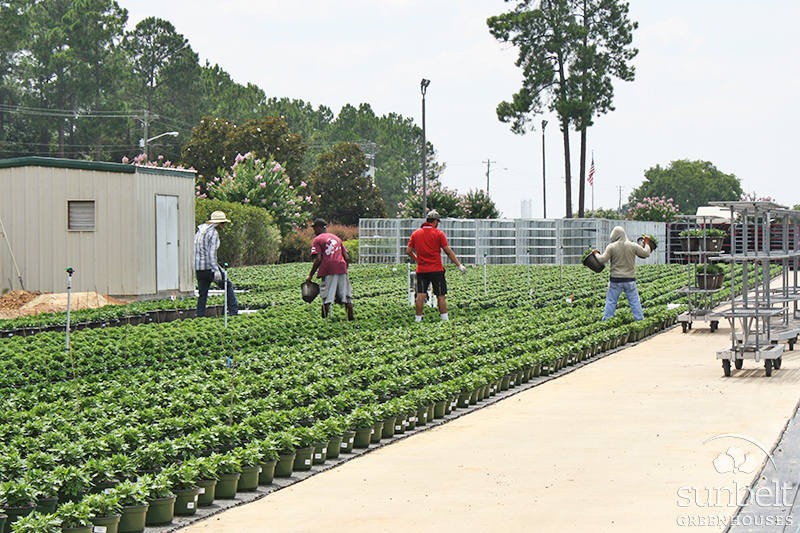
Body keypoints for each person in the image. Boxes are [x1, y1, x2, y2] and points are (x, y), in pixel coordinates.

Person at [406, 210, 467, 322]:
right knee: (440, 295)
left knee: (420, 295)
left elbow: (409, 251)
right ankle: (445, 320)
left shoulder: (416, 234)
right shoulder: (439, 234)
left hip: (422, 270)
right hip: (436, 270)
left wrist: (417, 258)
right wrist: (459, 265)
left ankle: (417, 320)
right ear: (435, 222)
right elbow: (448, 252)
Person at [593, 226, 651, 321]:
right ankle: (640, 320)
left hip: (615, 280)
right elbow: (646, 253)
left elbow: (602, 259)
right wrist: (647, 243)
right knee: (634, 302)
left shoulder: (611, 247)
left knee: (611, 302)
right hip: (629, 279)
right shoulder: (632, 245)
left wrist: (596, 254)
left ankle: (607, 321)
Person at [306, 218, 354, 320]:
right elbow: (347, 257)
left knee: (327, 297)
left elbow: (318, 259)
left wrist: (310, 275)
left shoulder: (318, 240)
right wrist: (344, 269)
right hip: (341, 268)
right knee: (346, 296)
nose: (314, 231)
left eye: (314, 229)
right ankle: (351, 319)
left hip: (328, 269)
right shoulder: (337, 238)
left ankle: (324, 321)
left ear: (318, 228)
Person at [194, 210, 238, 317]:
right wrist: (216, 271)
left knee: (202, 294)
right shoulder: (213, 233)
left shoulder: (200, 231)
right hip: (209, 268)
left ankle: (200, 317)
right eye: (223, 223)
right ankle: (233, 312)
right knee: (228, 285)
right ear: (218, 223)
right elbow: (211, 254)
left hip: (199, 268)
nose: (223, 226)